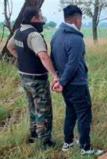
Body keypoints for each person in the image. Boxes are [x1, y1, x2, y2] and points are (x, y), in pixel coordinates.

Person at [50, 5, 102, 155]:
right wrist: (62, 81)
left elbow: (53, 58)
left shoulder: (56, 36)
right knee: (84, 113)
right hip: (76, 83)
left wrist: (58, 79)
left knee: (71, 112)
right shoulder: (76, 38)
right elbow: (72, 64)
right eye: (81, 19)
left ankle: (68, 143)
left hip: (65, 84)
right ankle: (86, 148)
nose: (81, 23)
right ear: (76, 19)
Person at [7, 7, 59, 149]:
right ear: (35, 19)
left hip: (24, 77)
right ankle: (45, 142)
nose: (42, 20)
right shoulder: (34, 35)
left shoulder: (19, 32)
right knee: (43, 109)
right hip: (37, 79)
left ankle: (34, 134)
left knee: (32, 107)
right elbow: (43, 56)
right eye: (41, 17)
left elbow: (9, 46)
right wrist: (54, 75)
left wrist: (23, 59)